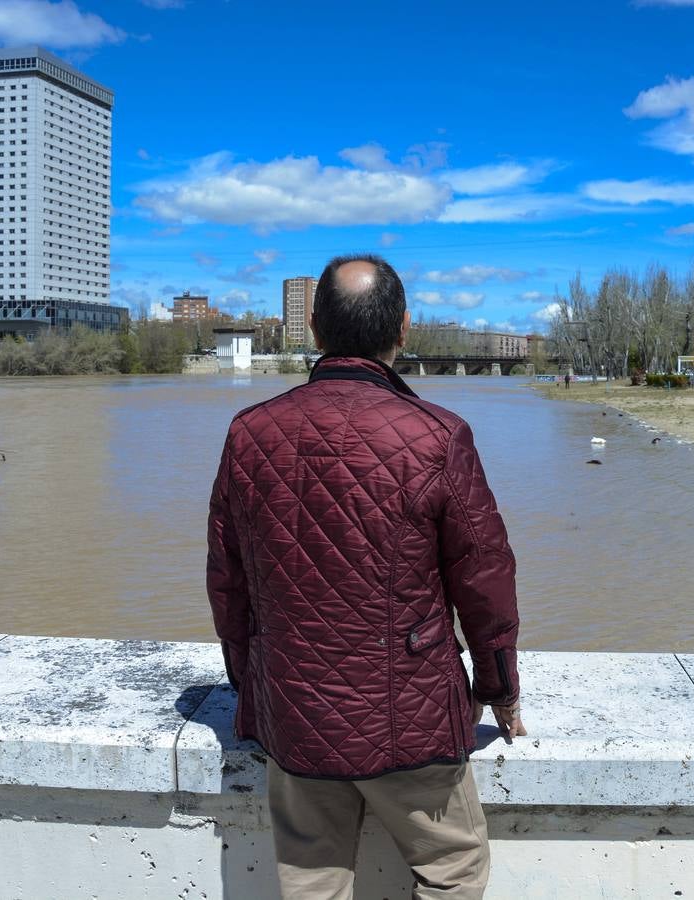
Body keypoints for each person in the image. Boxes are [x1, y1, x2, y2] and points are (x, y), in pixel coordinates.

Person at [207, 254, 524, 900]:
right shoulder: (440, 437)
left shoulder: (249, 434)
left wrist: (251, 684)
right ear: (404, 329)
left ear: (316, 330)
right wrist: (498, 686)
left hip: (294, 715)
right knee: (454, 872)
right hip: (411, 723)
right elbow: (486, 581)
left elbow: (228, 583)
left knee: (311, 886)